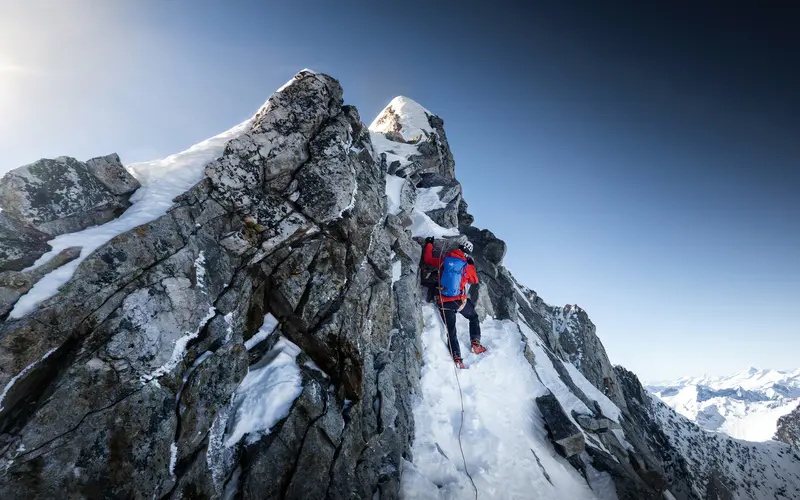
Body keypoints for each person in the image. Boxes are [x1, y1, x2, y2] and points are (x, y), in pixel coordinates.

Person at [423, 236, 487, 369]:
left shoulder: (445, 260)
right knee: (473, 317)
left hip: (443, 302)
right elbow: (474, 280)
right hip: (459, 301)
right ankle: (475, 344)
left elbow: (428, 259)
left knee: (451, 331)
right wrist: (470, 264)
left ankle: (457, 358)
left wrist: (429, 244)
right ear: (467, 253)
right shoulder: (466, 264)